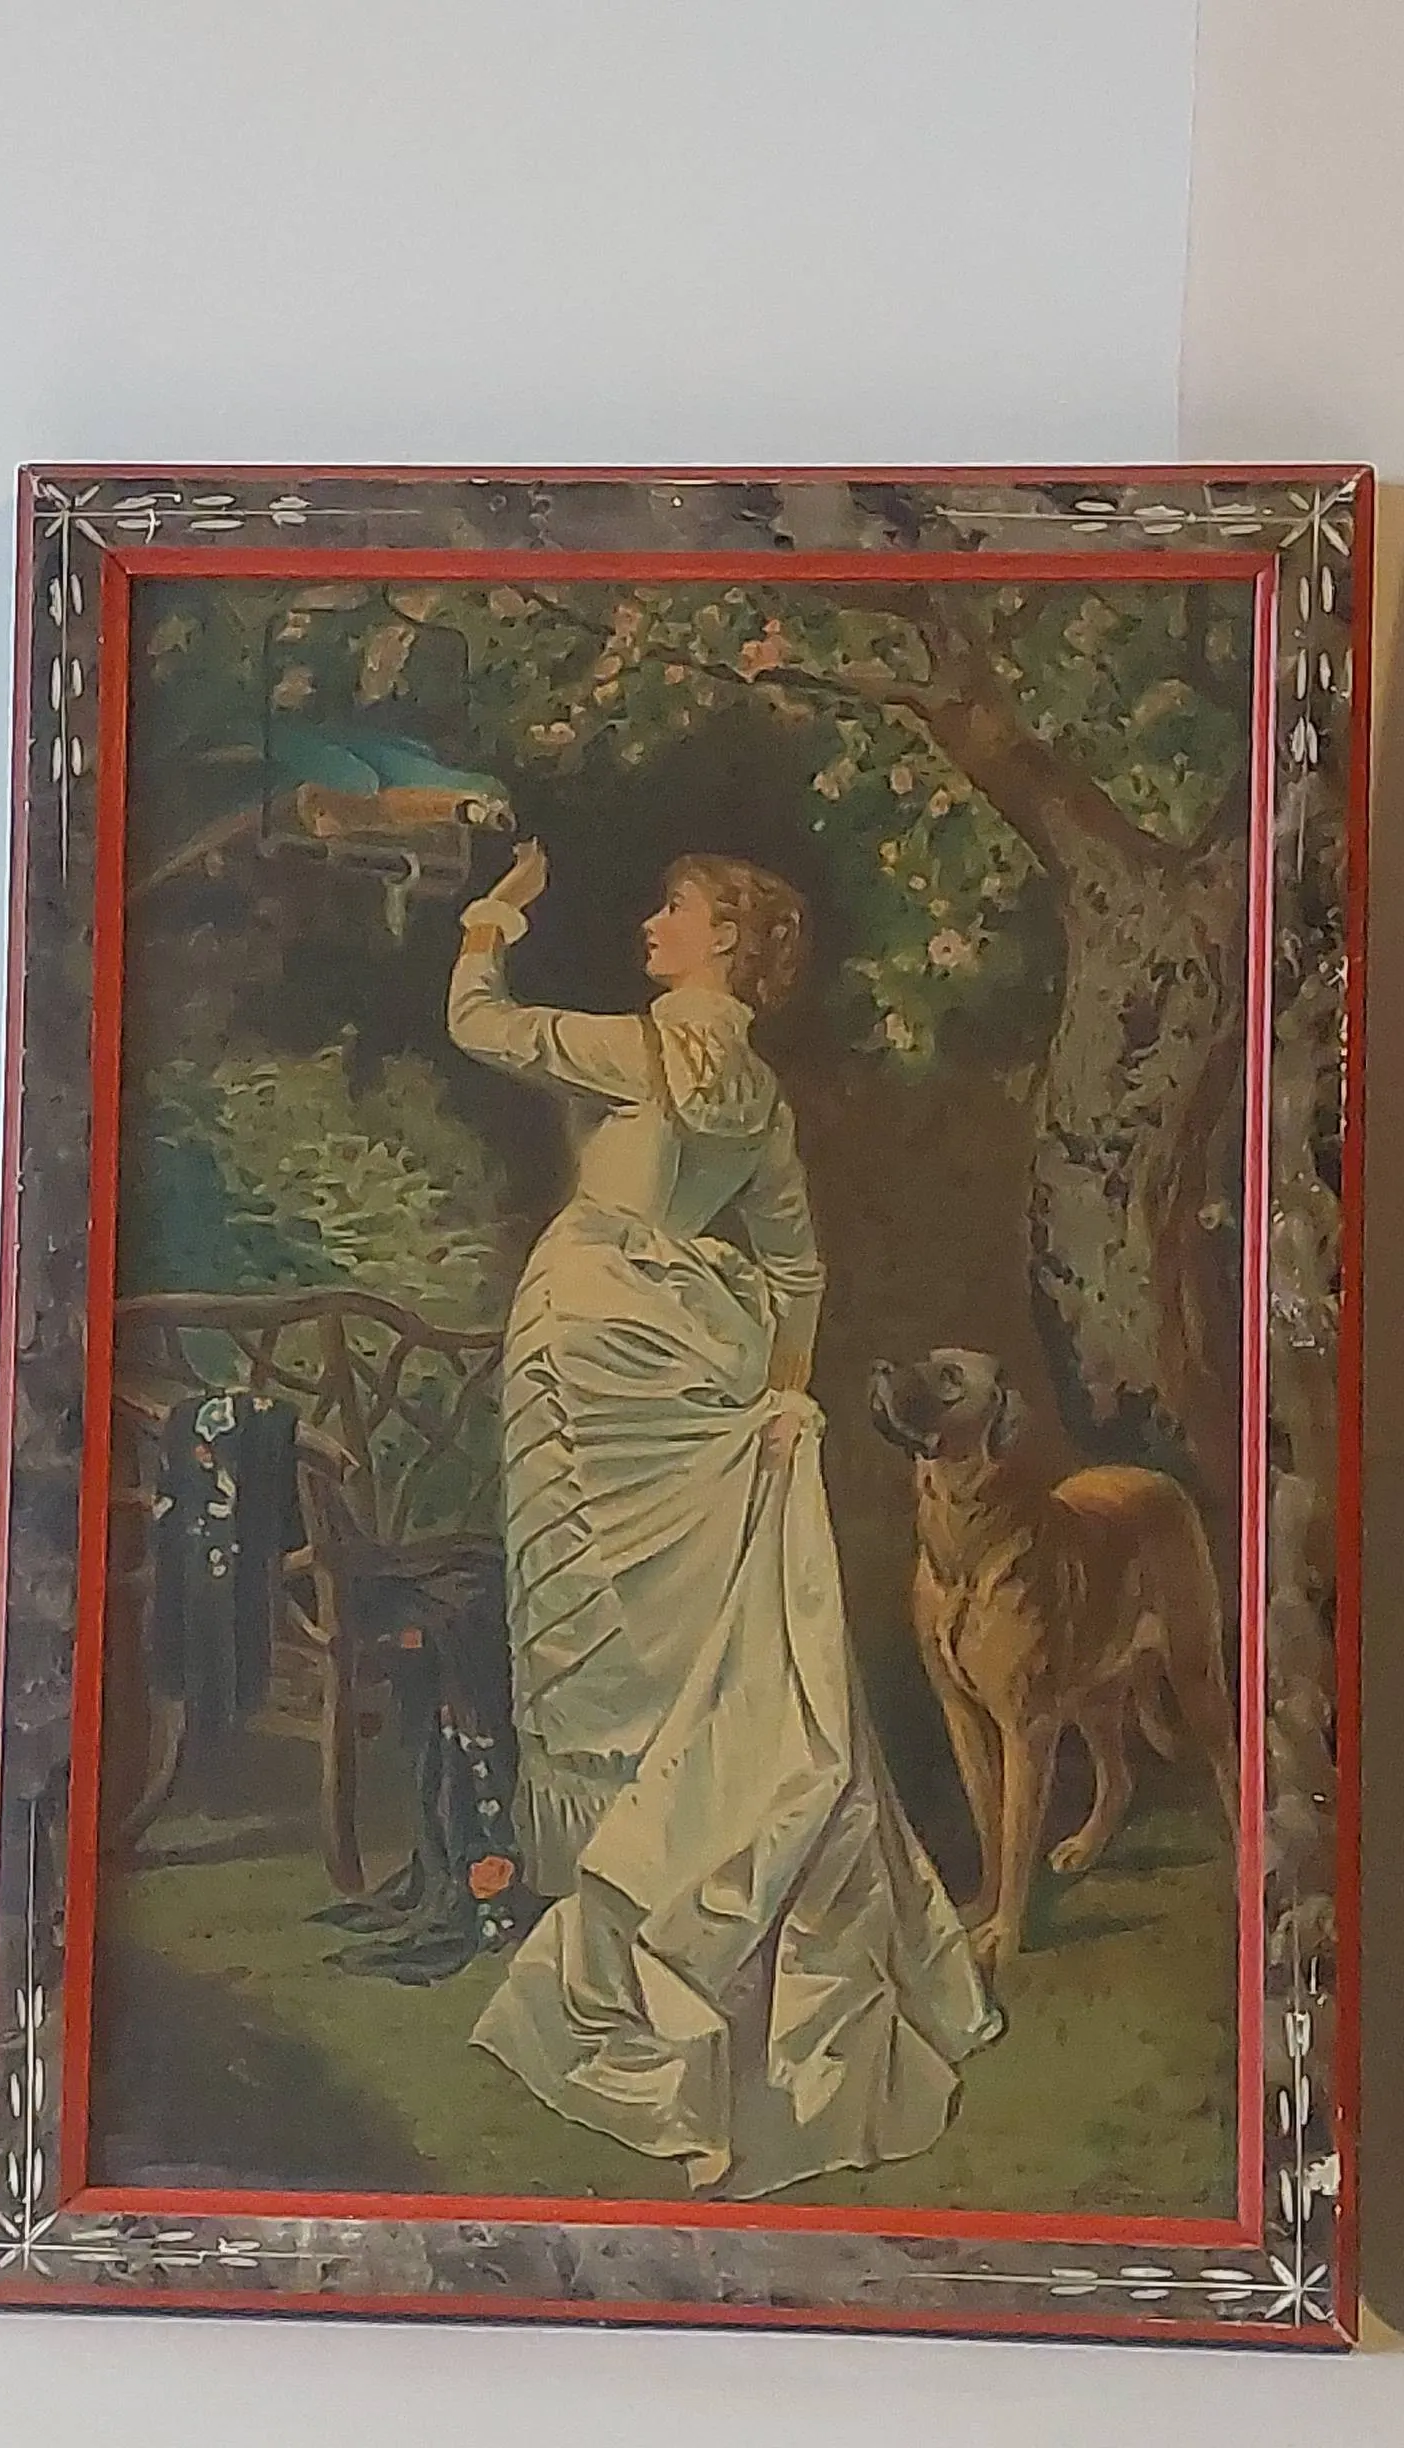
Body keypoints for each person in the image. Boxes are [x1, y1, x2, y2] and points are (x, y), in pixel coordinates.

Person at [445, 839, 997, 2199]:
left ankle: (622, 1921)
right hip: (690, 1353)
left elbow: (478, 1025)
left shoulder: (634, 1047)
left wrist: (490, 918)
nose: (652, 922)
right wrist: (781, 1398)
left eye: (675, 910)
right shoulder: (757, 1095)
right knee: (697, 1643)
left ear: (728, 941)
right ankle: (683, 1900)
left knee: (599, 1621)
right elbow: (796, 1267)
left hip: (587, 1342)